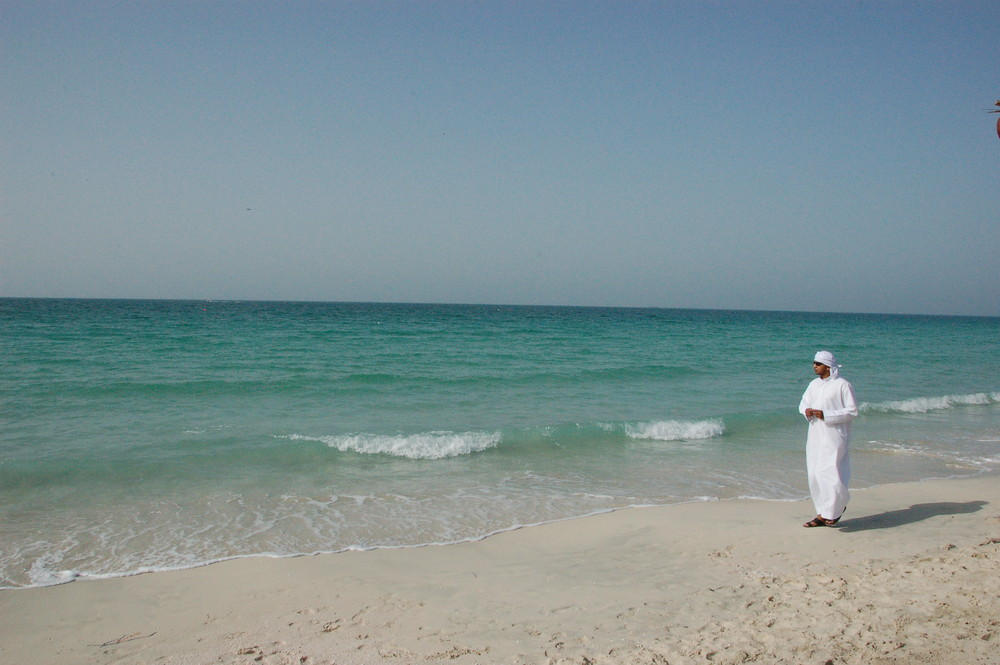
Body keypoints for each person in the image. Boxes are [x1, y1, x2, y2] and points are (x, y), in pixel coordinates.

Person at [798, 351, 858, 527]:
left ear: (828, 366)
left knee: (829, 472)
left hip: (835, 434)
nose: (814, 366)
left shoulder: (842, 385)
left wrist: (827, 415)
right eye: (814, 363)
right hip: (815, 432)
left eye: (818, 363)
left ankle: (836, 508)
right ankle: (822, 513)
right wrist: (807, 411)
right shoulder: (814, 384)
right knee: (814, 474)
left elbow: (852, 410)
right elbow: (803, 403)